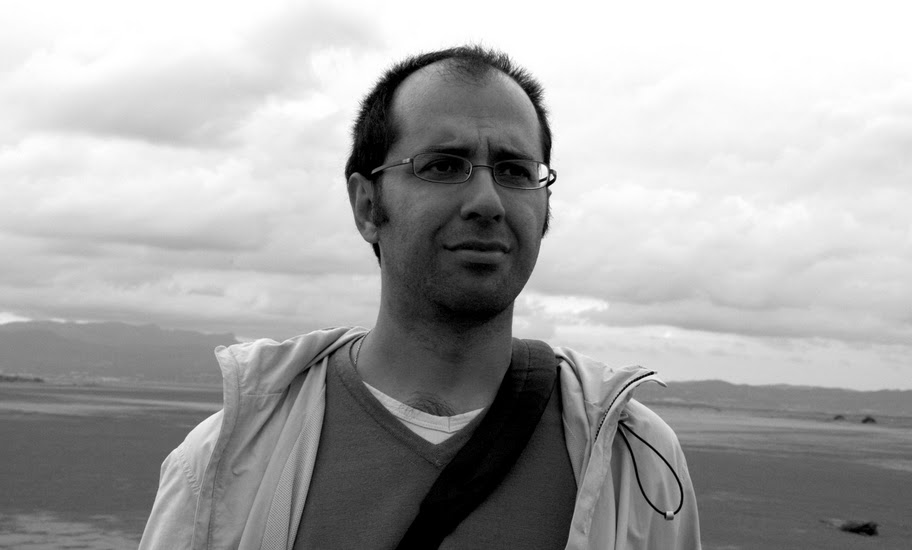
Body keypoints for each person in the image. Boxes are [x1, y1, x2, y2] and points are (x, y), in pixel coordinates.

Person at [140, 45, 701, 550]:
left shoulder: (635, 458)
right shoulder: (223, 465)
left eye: (514, 170)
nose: (488, 201)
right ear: (367, 207)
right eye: (443, 166)